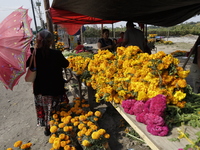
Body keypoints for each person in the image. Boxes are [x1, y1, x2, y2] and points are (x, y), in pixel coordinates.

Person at [29, 30, 69, 136]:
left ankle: (47, 128)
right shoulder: (56, 54)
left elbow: (26, 64)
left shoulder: (33, 53)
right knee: (54, 109)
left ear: (38, 40)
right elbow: (66, 64)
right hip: (55, 87)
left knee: (45, 108)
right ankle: (57, 127)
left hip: (40, 88)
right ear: (51, 42)